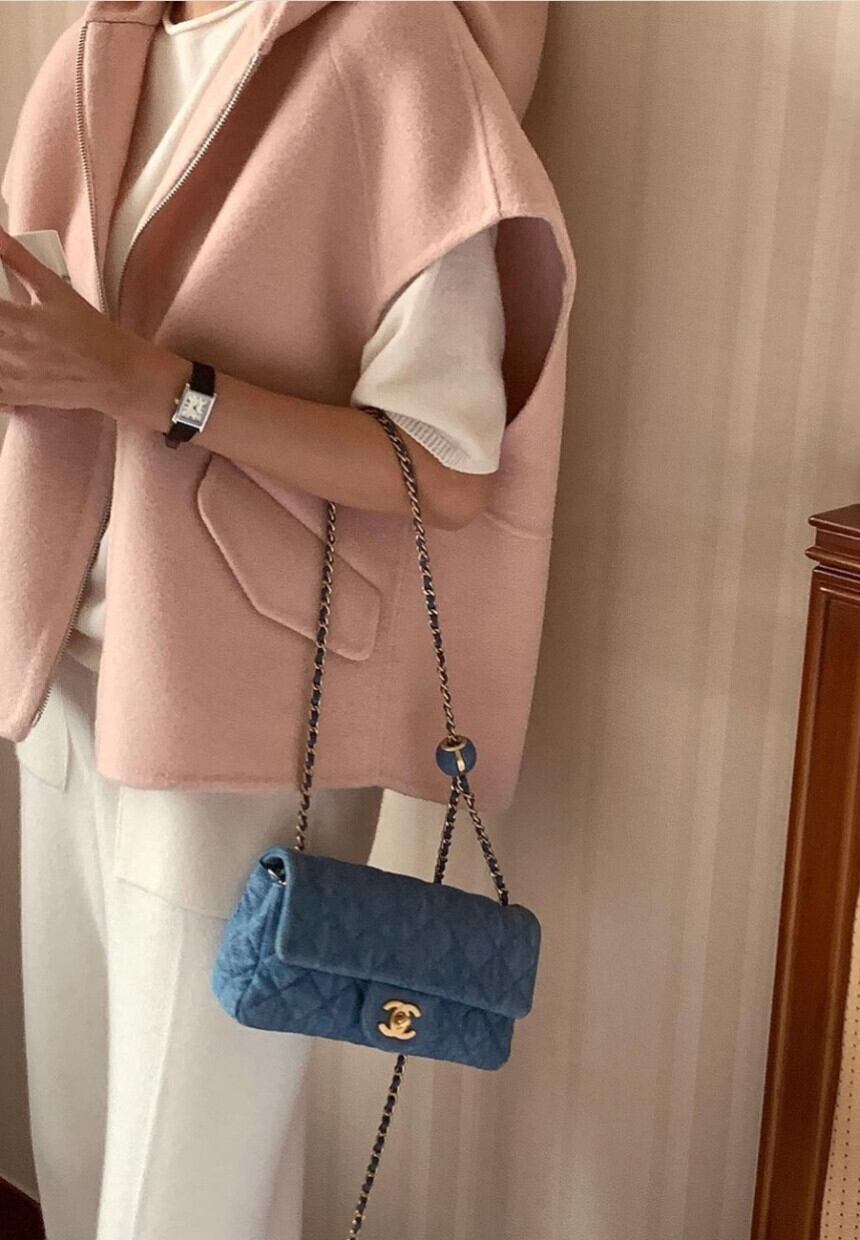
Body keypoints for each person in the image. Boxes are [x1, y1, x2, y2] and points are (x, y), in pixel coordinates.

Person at [0, 2, 576, 1238]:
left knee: (181, 1194)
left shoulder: (389, 50)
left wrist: (152, 386)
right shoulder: (102, 43)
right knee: (81, 1156)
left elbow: (446, 465)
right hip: (61, 673)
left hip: (239, 716)